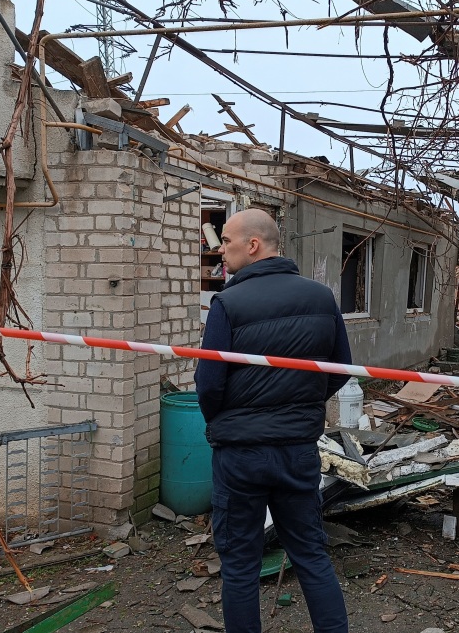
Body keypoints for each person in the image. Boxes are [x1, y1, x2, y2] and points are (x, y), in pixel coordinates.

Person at [195, 208, 351, 633]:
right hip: (296, 451)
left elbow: (208, 384)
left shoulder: (226, 303)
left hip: (240, 456)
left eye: (226, 241)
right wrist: (303, 405)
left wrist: (225, 421)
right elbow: (340, 369)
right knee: (311, 554)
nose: (220, 250)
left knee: (240, 565)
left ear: (253, 245)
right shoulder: (321, 297)